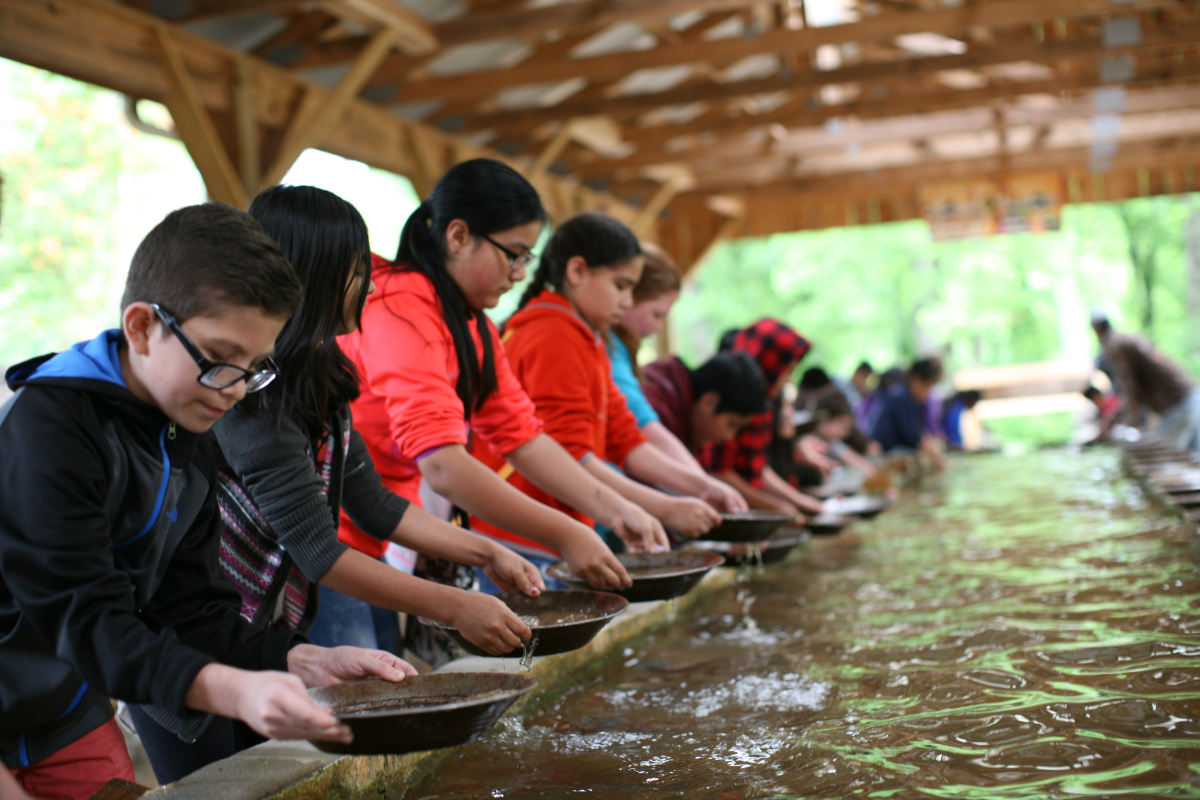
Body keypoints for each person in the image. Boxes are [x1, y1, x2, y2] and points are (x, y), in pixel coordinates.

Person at [128, 186, 545, 784]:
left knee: (276, 774)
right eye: (355, 271)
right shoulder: (252, 398)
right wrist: (456, 605)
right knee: (221, 782)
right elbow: (319, 551)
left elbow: (372, 505)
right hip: (186, 630)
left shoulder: (321, 374)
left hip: (257, 630)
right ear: (313, 274)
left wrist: (487, 552)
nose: (369, 286)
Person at [0, 204, 411, 799]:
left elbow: (190, 609)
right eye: (222, 358)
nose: (239, 389)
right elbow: (89, 619)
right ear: (141, 327)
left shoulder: (186, 424)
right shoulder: (49, 430)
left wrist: (301, 660)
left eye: (255, 366)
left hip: (64, 705)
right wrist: (234, 690)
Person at [340, 160, 664, 661]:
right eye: (512, 255)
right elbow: (443, 464)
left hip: (384, 526)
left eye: (526, 259)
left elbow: (525, 436)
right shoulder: (402, 306)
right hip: (333, 532)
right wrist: (566, 531)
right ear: (458, 235)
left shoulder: (473, 325)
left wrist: (614, 511)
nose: (517, 274)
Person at [473, 212, 720, 560]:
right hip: (522, 537)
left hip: (557, 529)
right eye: (621, 286)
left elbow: (627, 439)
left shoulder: (590, 339)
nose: (628, 302)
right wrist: (664, 507)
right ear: (576, 272)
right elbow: (572, 455)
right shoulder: (553, 336)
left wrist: (702, 487)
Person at [607, 243, 745, 511]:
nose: (658, 327)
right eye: (656, 314)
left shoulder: (618, 352)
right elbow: (645, 431)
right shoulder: (607, 352)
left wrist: (703, 487)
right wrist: (703, 487)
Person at [697, 319, 824, 517]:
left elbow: (757, 468)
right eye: (787, 370)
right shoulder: (735, 394)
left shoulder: (765, 402)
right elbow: (720, 471)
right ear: (769, 363)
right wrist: (775, 507)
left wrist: (797, 501)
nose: (788, 378)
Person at [1091, 312, 1200, 452]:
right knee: (1192, 456)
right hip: (1190, 396)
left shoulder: (1116, 346)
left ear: (1096, 329)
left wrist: (1132, 427)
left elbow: (1129, 388)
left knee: (1165, 455)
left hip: (1180, 404)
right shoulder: (1125, 340)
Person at [642, 351, 769, 453]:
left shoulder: (676, 392)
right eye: (731, 424)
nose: (729, 437)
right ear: (709, 402)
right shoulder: (658, 414)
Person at [870, 358, 947, 469]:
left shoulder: (913, 400)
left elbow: (921, 434)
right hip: (886, 454)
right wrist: (941, 463)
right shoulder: (900, 399)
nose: (928, 393)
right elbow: (916, 440)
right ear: (916, 380)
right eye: (928, 387)